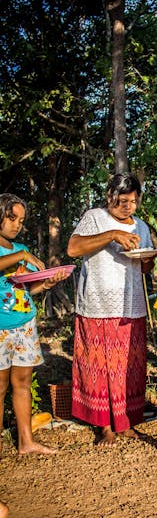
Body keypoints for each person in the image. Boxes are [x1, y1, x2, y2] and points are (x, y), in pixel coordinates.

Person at [67, 173, 154, 447]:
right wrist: (113, 235)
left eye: (132, 201)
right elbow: (73, 248)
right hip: (97, 304)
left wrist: (147, 258)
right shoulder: (95, 217)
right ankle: (105, 426)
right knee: (100, 366)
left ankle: (126, 422)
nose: (127, 206)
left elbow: (145, 266)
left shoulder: (140, 226)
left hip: (132, 305)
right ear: (109, 197)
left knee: (128, 366)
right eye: (121, 200)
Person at [0, 193, 68, 455]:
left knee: (23, 383)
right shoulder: (20, 254)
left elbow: (28, 288)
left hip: (24, 325)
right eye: (11, 218)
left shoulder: (19, 250)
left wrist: (47, 283)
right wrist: (25, 256)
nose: (17, 224)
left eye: (21, 220)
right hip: (2, 328)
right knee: (1, 386)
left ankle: (26, 441)